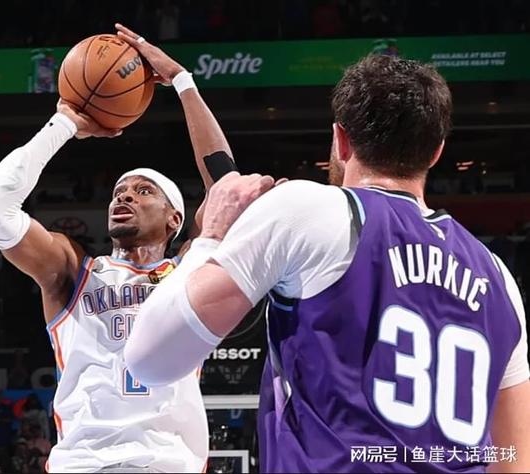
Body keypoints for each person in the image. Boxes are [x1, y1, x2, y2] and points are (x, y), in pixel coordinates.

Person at [125, 54, 530, 472]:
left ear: (341, 139)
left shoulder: (311, 209)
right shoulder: (498, 276)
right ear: (436, 152)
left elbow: (149, 360)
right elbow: (514, 460)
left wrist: (211, 234)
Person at [0, 23, 237, 473]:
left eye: (143, 191)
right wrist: (65, 124)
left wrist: (182, 81)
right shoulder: (72, 271)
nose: (125, 196)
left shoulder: (190, 269)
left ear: (175, 219)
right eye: (119, 191)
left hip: (165, 462)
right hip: (83, 462)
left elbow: (227, 188)